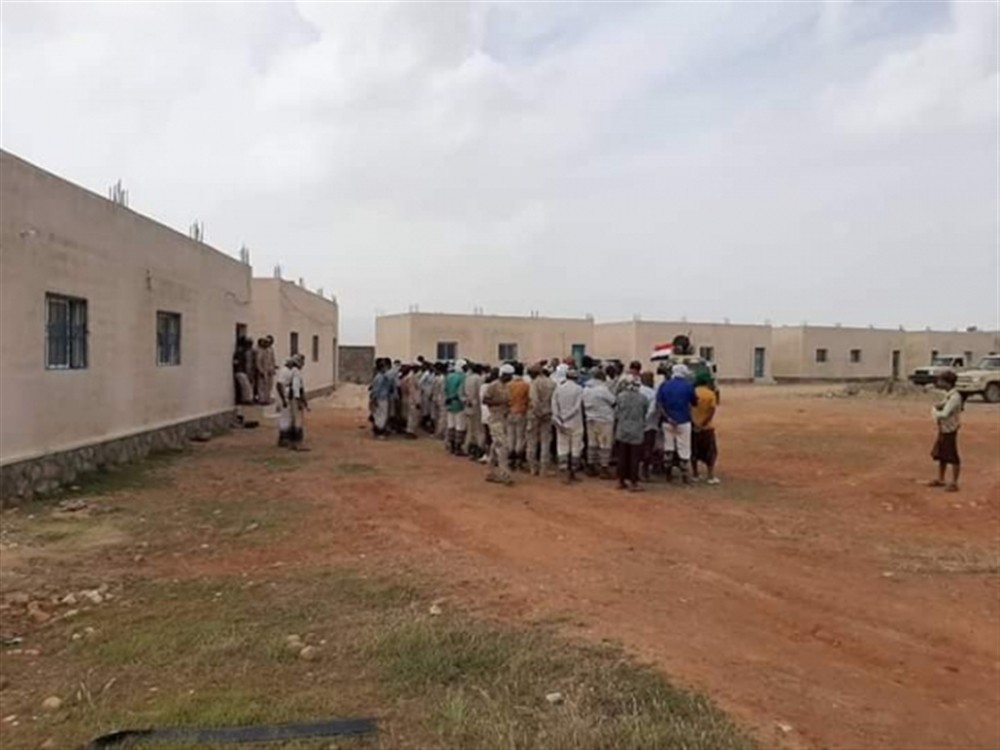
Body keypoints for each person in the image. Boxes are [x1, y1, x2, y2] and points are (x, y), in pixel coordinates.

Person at [657, 364, 697, 483]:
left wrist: (668, 417)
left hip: (667, 421)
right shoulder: (688, 386)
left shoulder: (664, 385)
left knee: (668, 446)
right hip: (684, 420)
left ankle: (668, 474)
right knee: (684, 448)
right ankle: (684, 475)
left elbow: (659, 404)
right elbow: (694, 402)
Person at [614, 375, 649, 491]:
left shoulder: (620, 396)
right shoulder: (643, 398)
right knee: (634, 458)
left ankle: (621, 481)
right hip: (637, 431)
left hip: (622, 429)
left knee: (622, 457)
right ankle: (633, 483)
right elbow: (645, 413)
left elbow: (616, 412)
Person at [930, 370, 962, 492]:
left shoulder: (954, 397)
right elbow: (942, 405)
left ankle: (954, 482)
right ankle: (941, 479)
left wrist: (934, 412)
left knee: (952, 455)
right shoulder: (950, 395)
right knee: (942, 454)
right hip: (945, 428)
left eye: (941, 381)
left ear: (947, 383)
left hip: (949, 429)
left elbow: (944, 414)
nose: (938, 383)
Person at [483, 363, 515, 485]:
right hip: (495, 418)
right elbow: (485, 400)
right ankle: (505, 474)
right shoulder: (493, 385)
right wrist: (500, 402)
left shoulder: (507, 386)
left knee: (495, 446)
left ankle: (490, 472)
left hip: (504, 418)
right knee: (502, 447)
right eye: (509, 375)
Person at [552, 367, 585, 483]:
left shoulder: (559, 388)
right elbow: (577, 407)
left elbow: (554, 405)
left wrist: (559, 418)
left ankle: (564, 473)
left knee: (562, 446)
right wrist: (567, 417)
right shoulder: (579, 389)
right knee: (576, 447)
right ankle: (572, 473)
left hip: (561, 422)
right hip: (575, 422)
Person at [582, 369, 616, 478]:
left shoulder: (586, 389)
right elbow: (613, 401)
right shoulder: (602, 389)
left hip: (590, 418)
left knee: (592, 443)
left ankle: (590, 465)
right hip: (604, 419)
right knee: (605, 444)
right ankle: (604, 467)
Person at [526, 365, 556, 476]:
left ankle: (533, 467)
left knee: (532, 440)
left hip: (535, 415)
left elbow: (534, 400)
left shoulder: (534, 383)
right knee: (545, 441)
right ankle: (544, 468)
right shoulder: (551, 383)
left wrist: (538, 412)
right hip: (548, 413)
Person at [691, 370, 720, 484]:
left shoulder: (692, 392)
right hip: (707, 428)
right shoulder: (710, 394)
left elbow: (688, 408)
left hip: (693, 427)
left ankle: (695, 474)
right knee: (710, 452)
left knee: (694, 451)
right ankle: (710, 476)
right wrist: (703, 423)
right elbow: (712, 411)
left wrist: (695, 423)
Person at [506, 363, 530, 471]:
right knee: (520, 437)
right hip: (521, 412)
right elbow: (528, 399)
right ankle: (518, 459)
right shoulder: (525, 385)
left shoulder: (508, 385)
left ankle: (510, 458)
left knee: (510, 436)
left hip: (509, 411)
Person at [639, 371, 661, 481]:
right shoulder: (653, 394)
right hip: (650, 425)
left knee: (637, 448)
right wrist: (645, 420)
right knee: (648, 448)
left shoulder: (637, 390)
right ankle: (645, 471)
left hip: (637, 425)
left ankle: (636, 471)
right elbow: (652, 411)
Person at [444, 360, 468, 455]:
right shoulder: (463, 377)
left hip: (449, 403)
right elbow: (461, 391)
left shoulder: (449, 376)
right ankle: (458, 448)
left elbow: (445, 389)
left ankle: (451, 446)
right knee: (460, 426)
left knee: (451, 425)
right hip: (459, 404)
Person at [463, 363, 485, 458]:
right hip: (476, 406)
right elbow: (480, 394)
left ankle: (468, 447)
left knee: (470, 429)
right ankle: (478, 448)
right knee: (479, 430)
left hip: (468, 405)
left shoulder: (468, 378)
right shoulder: (479, 379)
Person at [369, 359, 393, 439]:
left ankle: (378, 430)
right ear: (382, 368)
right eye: (385, 367)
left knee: (379, 414)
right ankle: (380, 431)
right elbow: (377, 389)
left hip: (380, 397)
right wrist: (374, 398)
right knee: (382, 415)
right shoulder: (380, 377)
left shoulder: (380, 376)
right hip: (381, 398)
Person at [233, 337, 255, 405]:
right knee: (246, 386)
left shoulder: (246, 352)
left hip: (244, 371)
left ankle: (247, 399)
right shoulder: (241, 352)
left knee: (247, 386)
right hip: (240, 371)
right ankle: (246, 400)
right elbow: (238, 362)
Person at [402, 365, 422, 439]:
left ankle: (410, 431)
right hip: (413, 400)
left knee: (411, 416)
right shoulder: (412, 378)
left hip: (409, 398)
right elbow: (413, 390)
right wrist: (417, 402)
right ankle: (410, 431)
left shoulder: (408, 377)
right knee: (413, 417)